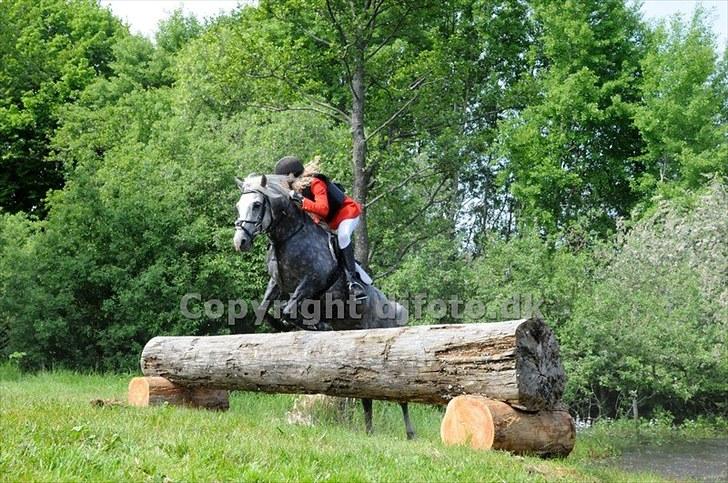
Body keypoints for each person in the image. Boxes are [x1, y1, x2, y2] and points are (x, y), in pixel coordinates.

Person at [275, 155, 368, 301]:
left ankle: (354, 282)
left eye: (283, 179)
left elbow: (323, 209)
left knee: (343, 236)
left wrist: (301, 200)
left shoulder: (315, 182)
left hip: (347, 213)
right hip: (328, 221)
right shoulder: (297, 190)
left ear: (291, 176)